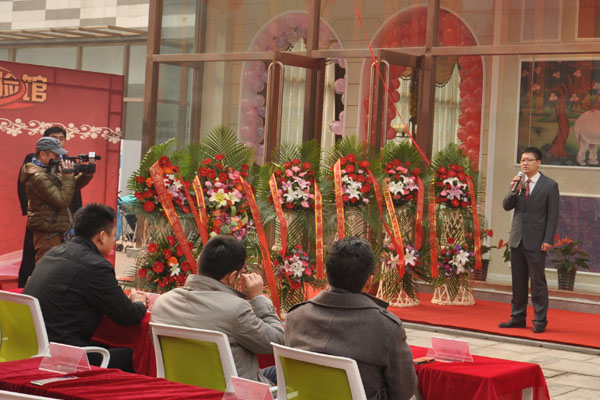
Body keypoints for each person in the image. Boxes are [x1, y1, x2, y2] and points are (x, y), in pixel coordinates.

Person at [285, 237, 418, 400]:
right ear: (369, 282)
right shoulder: (387, 327)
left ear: (326, 275)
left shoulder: (296, 316)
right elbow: (403, 392)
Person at [23, 203, 147, 371]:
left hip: (34, 348)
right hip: (62, 357)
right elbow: (128, 315)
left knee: (104, 345)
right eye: (113, 236)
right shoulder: (95, 266)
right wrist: (139, 302)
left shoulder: (53, 252)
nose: (114, 241)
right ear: (102, 236)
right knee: (132, 355)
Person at [151, 235, 284, 381]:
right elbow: (278, 341)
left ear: (198, 263)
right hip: (232, 390)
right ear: (232, 276)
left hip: (183, 387)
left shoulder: (162, 303)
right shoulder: (235, 309)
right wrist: (258, 298)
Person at [17, 126, 93, 287]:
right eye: (55, 154)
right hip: (47, 232)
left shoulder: (49, 171)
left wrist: (86, 174)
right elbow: (62, 200)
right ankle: (38, 299)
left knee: (57, 272)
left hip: (57, 229)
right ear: (43, 154)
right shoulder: (38, 176)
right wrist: (68, 176)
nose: (59, 157)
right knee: (46, 273)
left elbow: (71, 188)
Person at [500, 147, 559, 334]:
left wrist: (548, 239)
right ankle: (517, 317)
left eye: (529, 160)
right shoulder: (519, 183)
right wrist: (513, 190)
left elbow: (553, 215)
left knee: (537, 282)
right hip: (517, 239)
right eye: (522, 160)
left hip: (537, 241)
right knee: (518, 282)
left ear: (538, 163)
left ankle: (540, 320)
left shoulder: (550, 185)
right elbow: (506, 206)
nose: (524, 163)